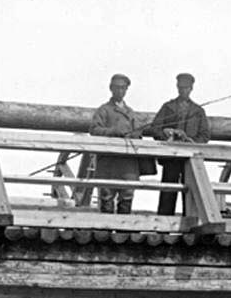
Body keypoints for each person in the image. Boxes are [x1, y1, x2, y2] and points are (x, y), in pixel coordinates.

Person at [148, 73, 210, 216]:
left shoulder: (198, 111)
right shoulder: (168, 107)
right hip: (171, 158)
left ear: (191, 88)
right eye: (181, 88)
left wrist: (190, 141)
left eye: (186, 88)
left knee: (190, 192)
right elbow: (154, 128)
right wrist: (166, 132)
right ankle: (163, 226)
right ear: (177, 87)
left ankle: (189, 224)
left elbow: (205, 135)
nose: (183, 90)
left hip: (190, 159)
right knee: (168, 191)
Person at [89, 73, 149, 214]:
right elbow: (94, 130)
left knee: (127, 196)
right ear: (111, 88)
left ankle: (124, 234)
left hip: (128, 164)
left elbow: (139, 133)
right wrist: (114, 131)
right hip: (108, 163)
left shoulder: (131, 113)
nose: (120, 91)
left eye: (123, 88)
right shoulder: (103, 110)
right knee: (106, 197)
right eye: (117, 88)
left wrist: (135, 134)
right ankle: (104, 234)